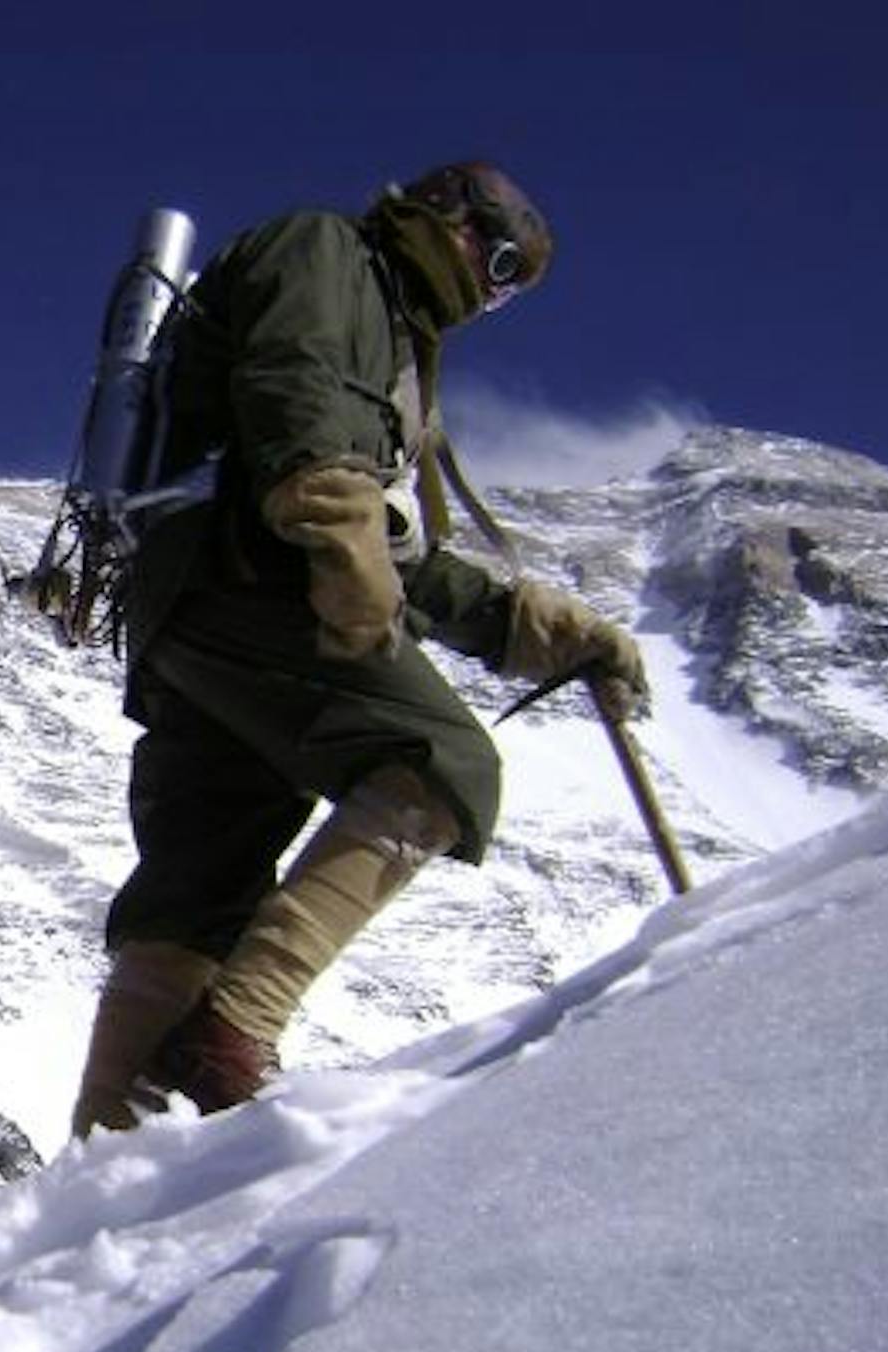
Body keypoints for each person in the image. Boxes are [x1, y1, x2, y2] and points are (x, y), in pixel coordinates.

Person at [69, 161, 646, 1137]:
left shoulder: (390, 331)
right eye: (499, 264)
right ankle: (234, 1033)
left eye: (510, 292)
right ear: (449, 217)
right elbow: (301, 399)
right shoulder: (333, 256)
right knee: (441, 760)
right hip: (254, 581)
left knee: (192, 897)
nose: (490, 297)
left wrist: (532, 628)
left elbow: (394, 553)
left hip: (194, 614)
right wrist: (336, 532)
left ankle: (96, 1168)